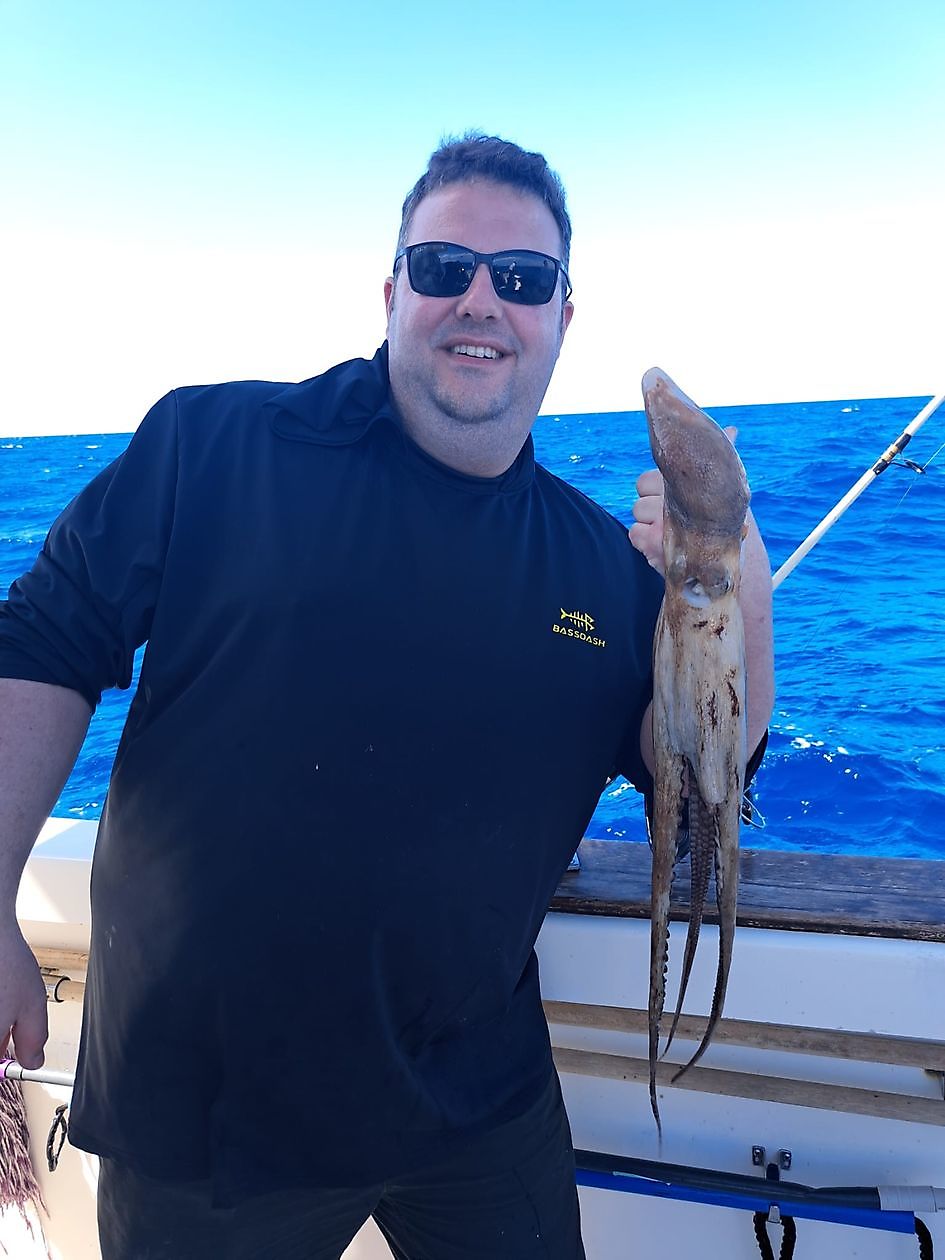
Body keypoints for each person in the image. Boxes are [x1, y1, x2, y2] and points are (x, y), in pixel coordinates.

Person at [0, 133, 775, 1259]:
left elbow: (699, 775)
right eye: (444, 265)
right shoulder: (217, 446)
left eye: (522, 278)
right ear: (392, 290)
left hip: (478, 1096)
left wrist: (726, 577)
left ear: (562, 316)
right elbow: (46, 636)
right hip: (211, 1107)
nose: (481, 299)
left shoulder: (601, 567)